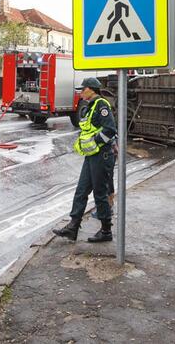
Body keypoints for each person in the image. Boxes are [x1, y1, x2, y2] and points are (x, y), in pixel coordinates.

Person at [52, 77, 116, 243]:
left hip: (102, 155)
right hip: (92, 155)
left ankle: (106, 230)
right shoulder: (90, 106)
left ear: (91, 90)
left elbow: (110, 130)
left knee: (100, 193)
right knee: (81, 190)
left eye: (83, 89)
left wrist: (95, 142)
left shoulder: (101, 105)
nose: (80, 92)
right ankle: (73, 226)